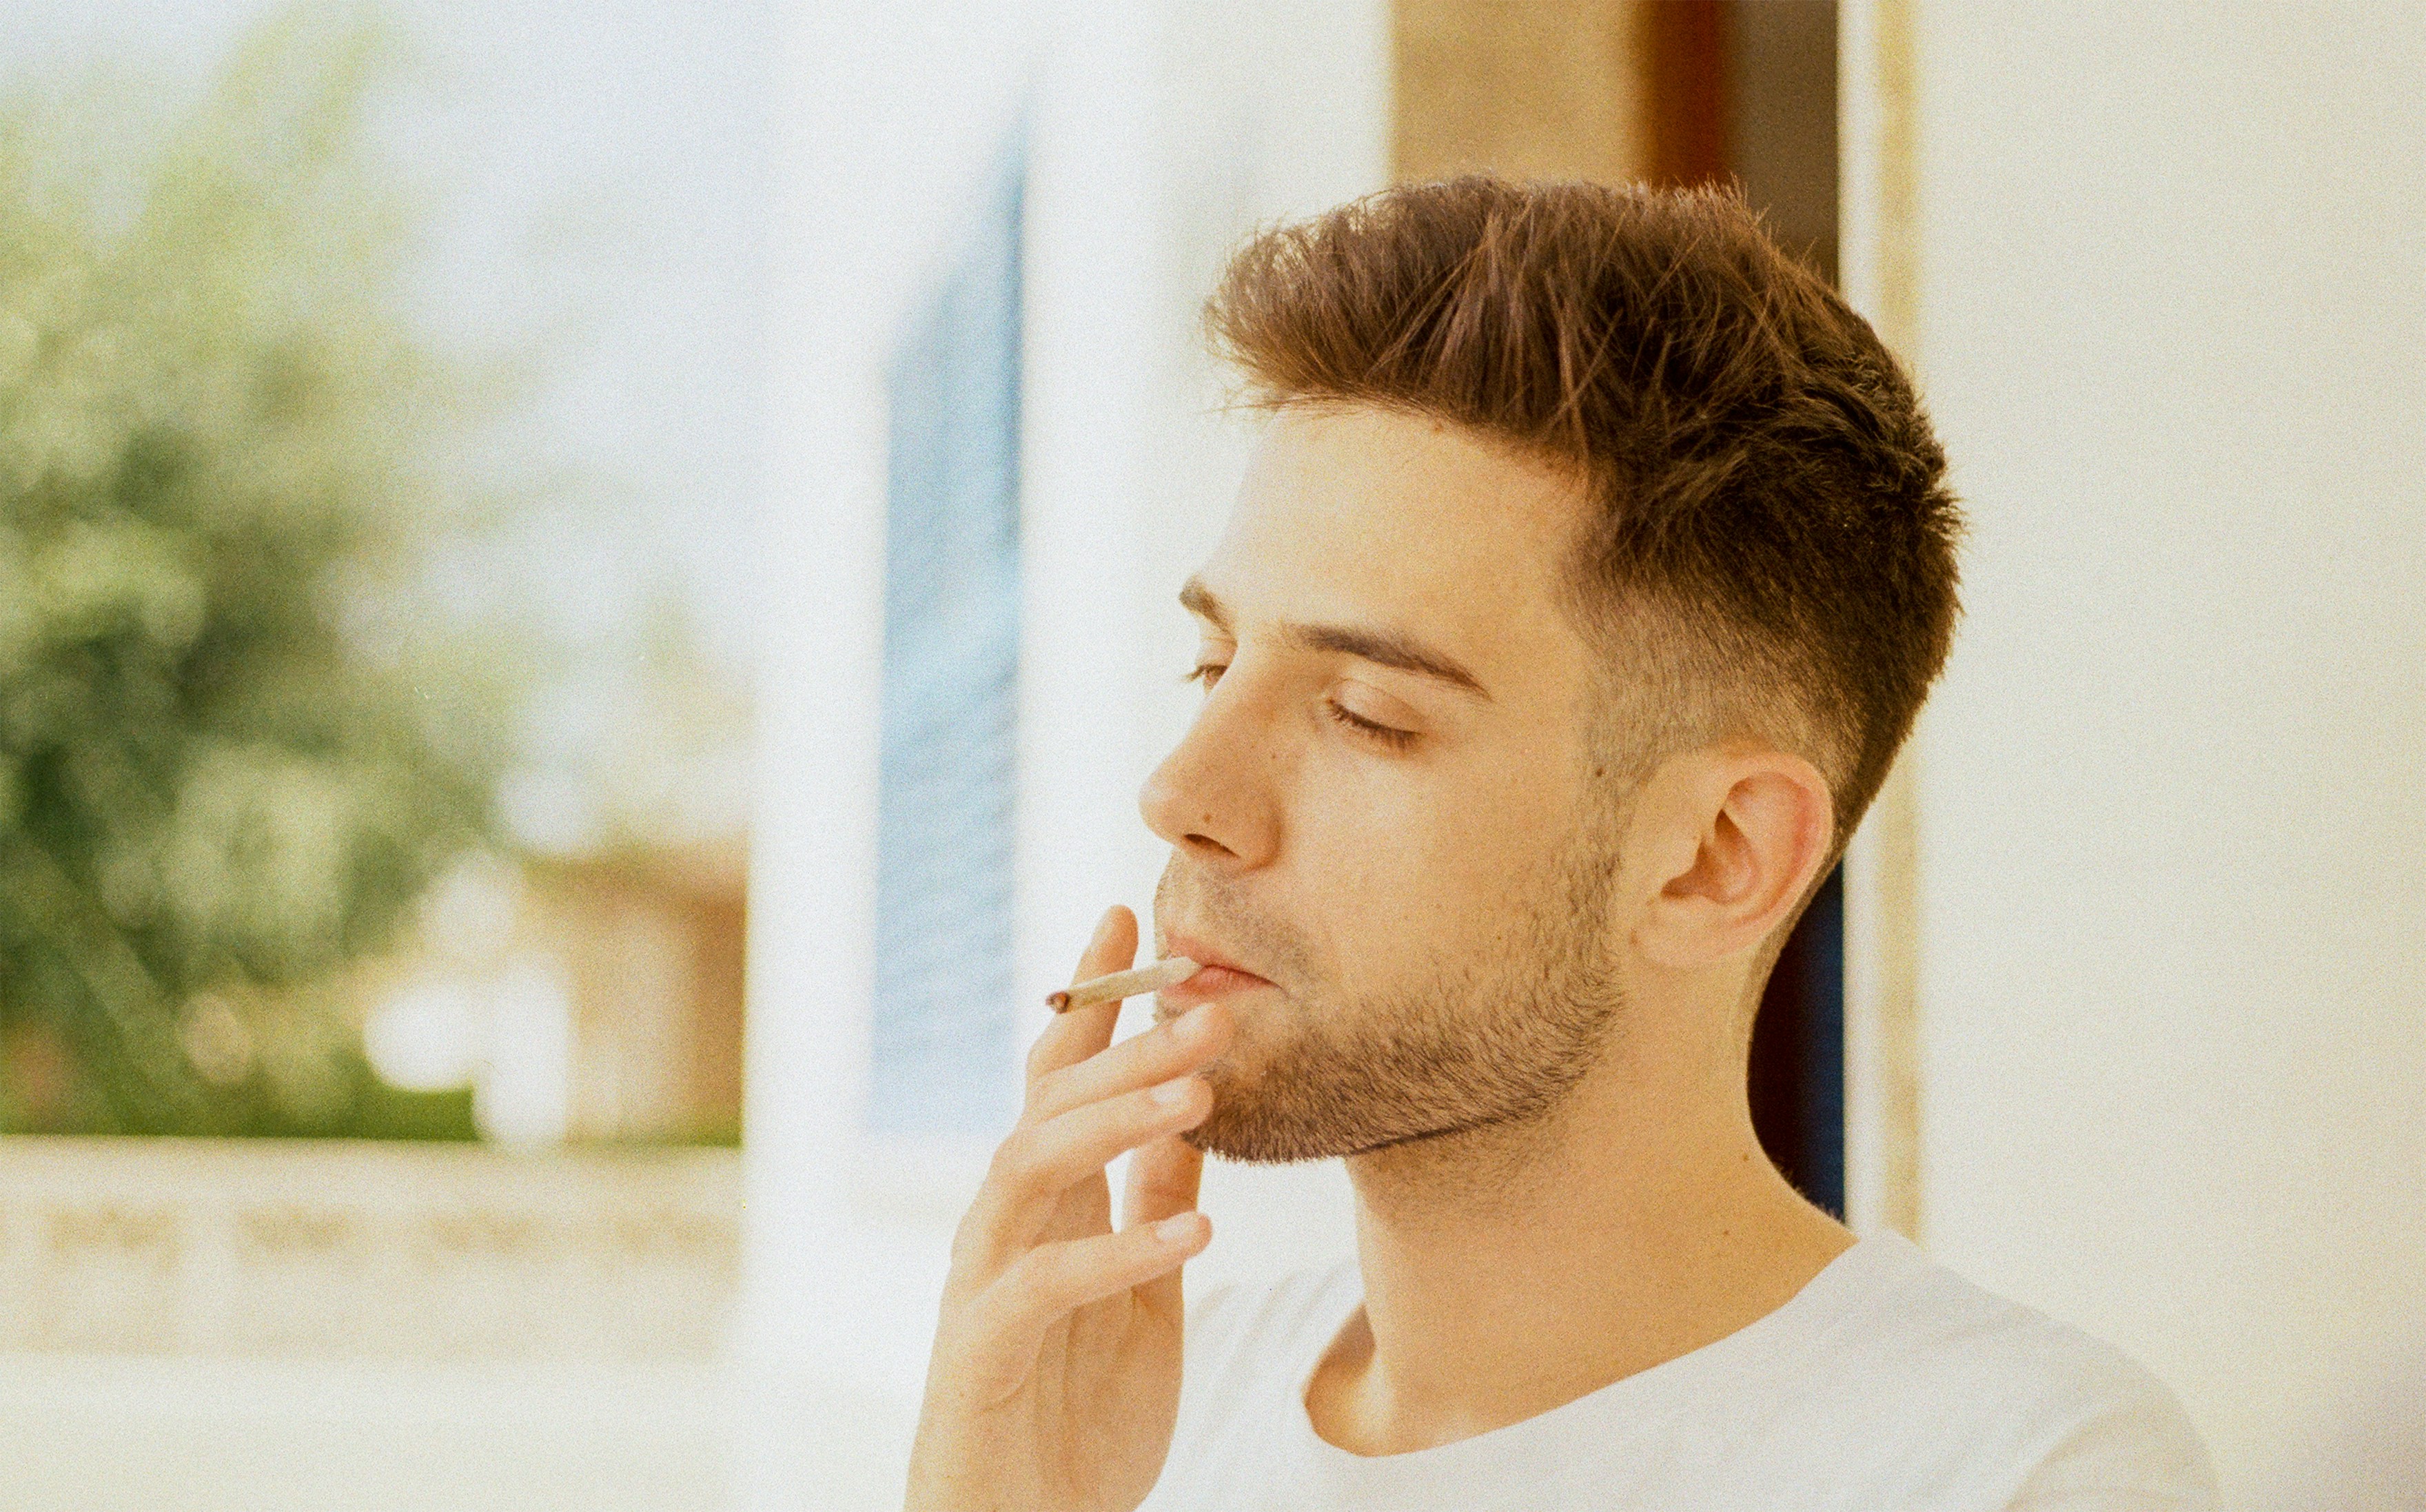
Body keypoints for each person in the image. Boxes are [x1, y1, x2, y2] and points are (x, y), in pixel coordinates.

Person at [904, 175, 2216, 1511]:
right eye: (1211, 660)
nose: (1180, 791)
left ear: (1712, 855)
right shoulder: (1135, 1409)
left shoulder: (2010, 1466)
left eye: (1362, 714)